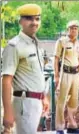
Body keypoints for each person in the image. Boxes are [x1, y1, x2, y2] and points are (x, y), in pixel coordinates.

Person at [2, 4, 48, 134]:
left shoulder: (36, 44)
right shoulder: (14, 46)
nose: (34, 22)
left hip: (36, 103)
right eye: (29, 18)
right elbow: (6, 81)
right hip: (24, 104)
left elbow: (35, 75)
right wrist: (7, 112)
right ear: (20, 21)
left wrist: (43, 97)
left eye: (37, 19)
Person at [54, 20, 79, 134]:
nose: (74, 30)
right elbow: (56, 58)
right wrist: (56, 76)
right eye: (72, 28)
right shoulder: (61, 41)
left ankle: (72, 125)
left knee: (74, 101)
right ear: (68, 30)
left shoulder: (78, 43)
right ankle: (60, 127)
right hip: (65, 74)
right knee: (61, 101)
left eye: (76, 28)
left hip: (75, 74)